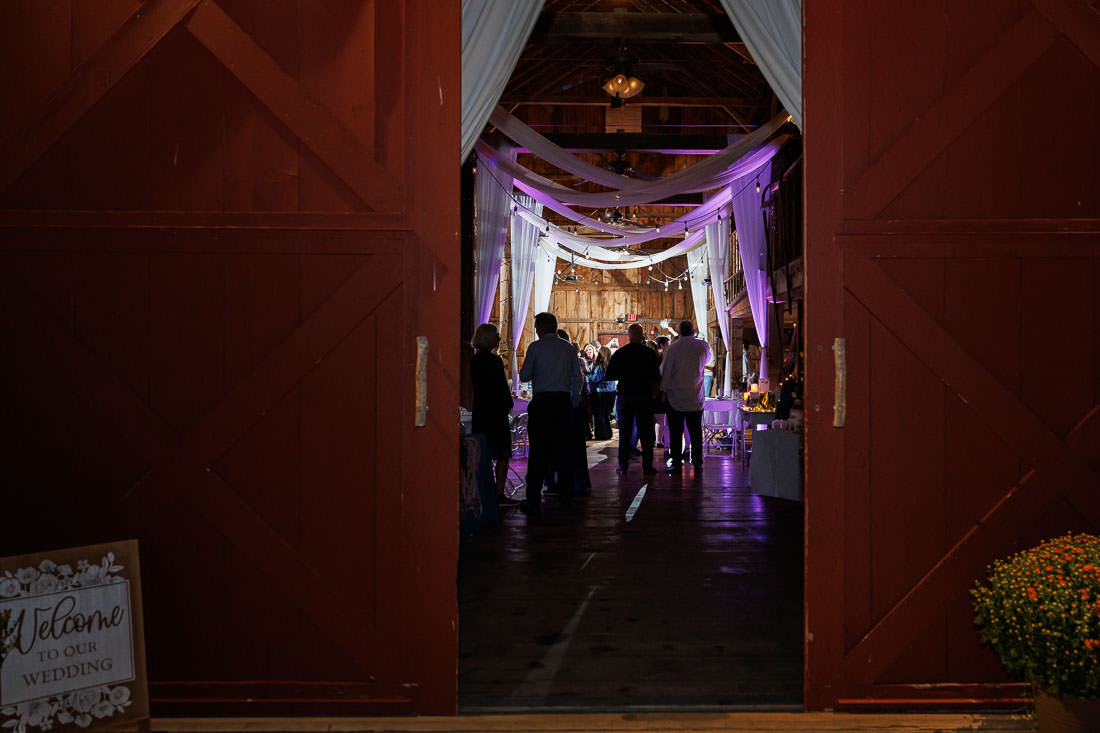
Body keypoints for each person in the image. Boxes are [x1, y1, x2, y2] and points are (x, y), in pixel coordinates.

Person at [518, 312, 583, 514]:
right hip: (562, 402)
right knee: (564, 451)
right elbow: (577, 378)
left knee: (538, 451)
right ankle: (566, 496)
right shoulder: (568, 348)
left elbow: (525, 375)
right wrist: (572, 402)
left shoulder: (535, 348)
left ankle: (533, 499)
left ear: (541, 328)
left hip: (542, 403)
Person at [469, 323, 518, 506]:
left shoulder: (475, 361)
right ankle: (498, 494)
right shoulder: (494, 361)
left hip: (481, 411)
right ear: (488, 338)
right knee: (502, 453)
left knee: (485, 453)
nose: (499, 338)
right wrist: (508, 404)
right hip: (496, 412)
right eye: (497, 335)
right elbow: (500, 388)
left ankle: (484, 492)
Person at [606, 323, 660, 475]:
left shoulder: (621, 353)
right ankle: (647, 466)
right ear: (642, 334)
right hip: (644, 397)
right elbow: (656, 377)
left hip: (626, 396)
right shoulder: (649, 353)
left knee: (625, 432)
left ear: (629, 335)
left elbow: (610, 375)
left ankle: (623, 464)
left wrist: (624, 374)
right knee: (646, 434)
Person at [660, 320, 712, 473]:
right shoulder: (702, 346)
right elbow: (707, 360)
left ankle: (676, 462)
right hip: (696, 397)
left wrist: (663, 390)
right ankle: (697, 462)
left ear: (680, 331)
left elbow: (665, 372)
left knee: (676, 433)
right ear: (692, 331)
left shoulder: (672, 349)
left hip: (675, 397)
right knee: (696, 432)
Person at [588, 346, 615, 440]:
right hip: (611, 392)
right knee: (606, 414)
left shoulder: (600, 365)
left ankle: (602, 435)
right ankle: (608, 433)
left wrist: (587, 377)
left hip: (600, 392)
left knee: (599, 414)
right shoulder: (611, 365)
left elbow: (595, 379)